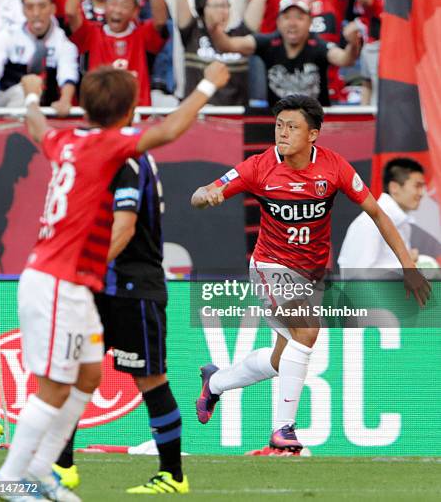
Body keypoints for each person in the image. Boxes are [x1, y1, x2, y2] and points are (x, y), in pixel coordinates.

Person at [0, 60, 229, 501]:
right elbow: (172, 129)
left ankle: (43, 471)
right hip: (60, 280)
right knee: (57, 385)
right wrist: (207, 85)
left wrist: (29, 94)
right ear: (130, 110)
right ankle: (11, 476)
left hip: (69, 281)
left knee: (86, 377)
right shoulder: (110, 146)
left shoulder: (66, 140)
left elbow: (38, 126)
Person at [190, 95, 430, 453]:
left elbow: (379, 214)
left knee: (281, 357)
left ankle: (216, 383)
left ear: (313, 134)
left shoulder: (334, 168)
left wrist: (408, 268)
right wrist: (206, 195)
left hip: (311, 273)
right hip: (270, 266)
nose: (282, 133)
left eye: (292, 127)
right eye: (279, 126)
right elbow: (202, 193)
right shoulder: (258, 167)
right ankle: (282, 432)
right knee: (308, 328)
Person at [55, 151, 187, 494]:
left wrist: (81, 268)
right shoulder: (108, 155)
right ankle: (61, 466)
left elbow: (124, 228)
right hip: (102, 290)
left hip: (133, 290)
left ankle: (172, 475)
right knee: (71, 372)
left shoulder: (126, 160)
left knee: (151, 380)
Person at [211, 0, 361, 107]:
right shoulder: (268, 42)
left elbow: (345, 59)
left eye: (299, 18)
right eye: (287, 17)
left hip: (314, 123)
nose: (292, 23)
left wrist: (353, 43)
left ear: (310, 22)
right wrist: (214, 27)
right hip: (277, 123)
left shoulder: (318, 46)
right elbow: (227, 45)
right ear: (278, 21)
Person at [65, 0, 168, 106]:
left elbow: (161, 20)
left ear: (135, 10)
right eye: (113, 3)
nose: (117, 10)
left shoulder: (141, 34)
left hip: (136, 116)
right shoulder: (93, 33)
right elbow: (70, 12)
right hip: (100, 115)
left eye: (125, 5)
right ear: (105, 6)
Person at [0, 0, 79, 118]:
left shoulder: (64, 44)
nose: (36, 13)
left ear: (53, 8)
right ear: (23, 10)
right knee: (23, 92)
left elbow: (68, 74)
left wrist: (65, 101)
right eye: (30, 7)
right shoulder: (7, 35)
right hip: (6, 106)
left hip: (44, 112)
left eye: (42, 6)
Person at [338, 158, 425, 270]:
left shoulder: (403, 223)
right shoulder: (368, 223)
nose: (421, 193)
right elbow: (356, 276)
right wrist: (406, 264)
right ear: (394, 187)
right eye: (417, 186)